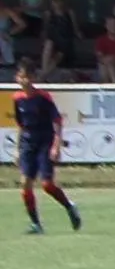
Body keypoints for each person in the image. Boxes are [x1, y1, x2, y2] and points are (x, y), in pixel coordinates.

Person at [14, 66, 81, 234]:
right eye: (21, 77)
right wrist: (17, 149)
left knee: (47, 184)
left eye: (27, 77)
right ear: (17, 78)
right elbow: (20, 125)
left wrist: (56, 146)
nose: (24, 81)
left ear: (33, 78)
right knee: (25, 184)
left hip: (45, 142)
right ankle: (36, 224)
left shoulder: (43, 97)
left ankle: (69, 206)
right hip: (28, 143)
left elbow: (57, 121)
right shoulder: (17, 98)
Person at [38, 0, 81, 78]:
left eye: (60, 0)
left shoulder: (69, 13)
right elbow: (46, 29)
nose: (57, 3)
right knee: (48, 44)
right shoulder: (48, 13)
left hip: (65, 41)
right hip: (53, 39)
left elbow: (75, 28)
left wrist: (79, 35)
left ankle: (42, 75)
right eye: (55, 0)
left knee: (59, 55)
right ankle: (44, 72)